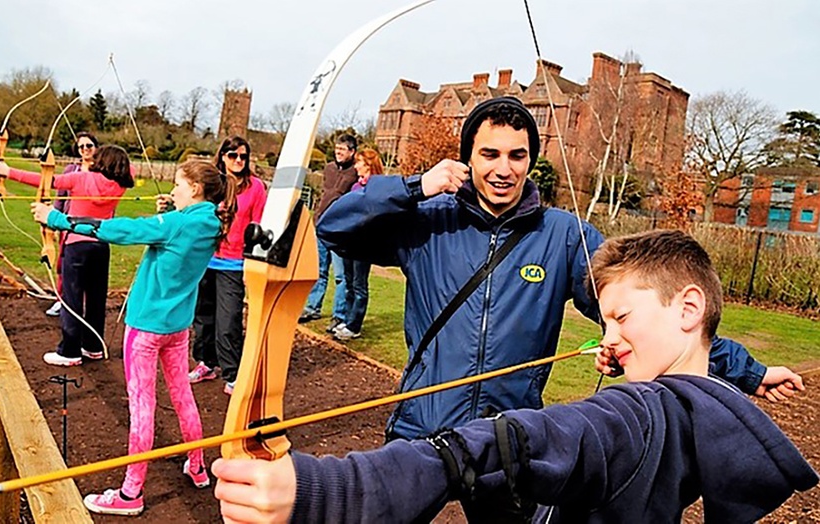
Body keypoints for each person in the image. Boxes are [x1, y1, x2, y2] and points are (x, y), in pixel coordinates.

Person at [210, 229, 818, 523]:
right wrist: (749, 371)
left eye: (620, 317)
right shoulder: (705, 405)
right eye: (605, 322)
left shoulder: (633, 414)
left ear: (688, 309)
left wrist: (331, 490)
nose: (608, 337)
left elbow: (515, 441)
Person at [316, 96, 804, 444]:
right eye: (489, 154)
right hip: (421, 426)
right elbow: (333, 228)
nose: (503, 169)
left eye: (517, 155)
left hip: (508, 437)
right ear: (467, 157)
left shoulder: (564, 235)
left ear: (531, 159)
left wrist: (749, 371)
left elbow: (651, 313)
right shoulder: (429, 219)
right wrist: (414, 186)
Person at [31, 160, 237, 516]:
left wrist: (57, 220)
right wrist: (170, 212)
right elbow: (175, 230)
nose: (173, 190)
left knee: (142, 406)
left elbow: (122, 230)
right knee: (182, 397)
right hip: (176, 328)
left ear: (194, 189)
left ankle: (131, 493)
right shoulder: (209, 222)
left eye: (178, 184)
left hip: (146, 328)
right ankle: (198, 466)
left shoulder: (177, 223)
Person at [0, 143, 133, 366]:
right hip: (101, 246)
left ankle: (69, 352)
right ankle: (93, 347)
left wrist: (7, 172)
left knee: (71, 299)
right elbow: (128, 172)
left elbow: (47, 181)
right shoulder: (119, 185)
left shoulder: (81, 179)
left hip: (77, 246)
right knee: (96, 298)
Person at [184, 136, 266, 395]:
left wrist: (252, 262)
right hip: (206, 258)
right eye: (233, 156)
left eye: (243, 156)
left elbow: (258, 226)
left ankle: (233, 373)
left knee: (228, 320)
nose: (239, 161)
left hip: (234, 263)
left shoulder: (255, 188)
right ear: (222, 157)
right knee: (203, 316)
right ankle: (206, 362)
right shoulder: (213, 184)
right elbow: (192, 209)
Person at [298, 134, 358, 333]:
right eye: (337, 149)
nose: (338, 153)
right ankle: (312, 307)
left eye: (342, 150)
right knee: (319, 271)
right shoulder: (329, 168)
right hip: (321, 225)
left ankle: (338, 315)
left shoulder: (355, 172)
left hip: (341, 230)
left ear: (352, 152)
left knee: (341, 276)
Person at [46, 132, 101, 317]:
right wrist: (53, 220)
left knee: (91, 274)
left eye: (89, 146)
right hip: (68, 226)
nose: (85, 149)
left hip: (94, 229)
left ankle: (82, 305)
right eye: (81, 147)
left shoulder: (102, 171)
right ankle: (61, 300)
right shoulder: (71, 170)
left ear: (96, 148)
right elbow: (60, 196)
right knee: (63, 264)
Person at [331, 148, 383, 341]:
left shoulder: (377, 188)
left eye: (359, 162)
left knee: (360, 285)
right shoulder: (355, 187)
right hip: (349, 241)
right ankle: (347, 319)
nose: (356, 166)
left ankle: (355, 326)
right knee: (349, 283)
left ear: (368, 164)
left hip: (364, 243)